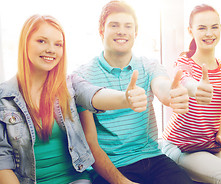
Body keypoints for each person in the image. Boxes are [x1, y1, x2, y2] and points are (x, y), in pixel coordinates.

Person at [0, 14, 146, 184]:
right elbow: (3, 164)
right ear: (25, 43)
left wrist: (124, 99)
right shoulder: (4, 98)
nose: (51, 49)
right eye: (41, 41)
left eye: (58, 44)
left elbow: (93, 95)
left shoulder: (70, 85)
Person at [75, 0, 194, 184]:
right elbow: (90, 144)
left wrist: (171, 95)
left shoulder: (149, 65)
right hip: (112, 166)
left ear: (135, 33)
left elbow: (162, 87)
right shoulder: (83, 76)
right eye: (114, 25)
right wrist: (122, 182)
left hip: (153, 158)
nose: (122, 31)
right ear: (101, 31)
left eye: (128, 26)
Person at [161, 4, 221, 184]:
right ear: (191, 31)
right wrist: (197, 89)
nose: (209, 33)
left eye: (214, 27)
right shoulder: (183, 62)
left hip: (210, 147)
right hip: (181, 148)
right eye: (202, 28)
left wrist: (220, 134)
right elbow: (184, 80)